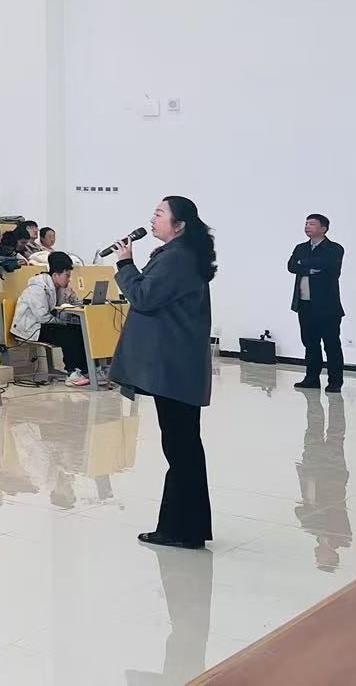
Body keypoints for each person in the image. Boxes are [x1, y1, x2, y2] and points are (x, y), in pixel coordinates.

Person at [110, 196, 216, 550]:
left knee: (181, 449)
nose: (152, 218)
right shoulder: (179, 254)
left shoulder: (177, 257)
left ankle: (181, 530)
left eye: (159, 213)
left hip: (174, 368)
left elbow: (144, 297)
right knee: (184, 447)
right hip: (177, 366)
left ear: (179, 224)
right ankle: (187, 528)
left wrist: (125, 264)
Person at [9, 251, 90, 386]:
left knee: (79, 329)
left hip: (44, 324)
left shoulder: (59, 287)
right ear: (56, 274)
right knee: (68, 333)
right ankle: (72, 373)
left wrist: (71, 295)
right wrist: (63, 322)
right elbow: (42, 317)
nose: (69, 279)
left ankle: (85, 369)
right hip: (31, 328)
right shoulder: (37, 288)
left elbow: (70, 306)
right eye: (67, 276)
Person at [289, 213, 345, 392]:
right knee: (310, 343)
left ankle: (335, 381)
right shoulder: (300, 247)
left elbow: (330, 268)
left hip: (327, 306)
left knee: (331, 344)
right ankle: (311, 378)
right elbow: (291, 266)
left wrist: (303, 264)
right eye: (306, 223)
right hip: (305, 305)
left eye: (312, 224)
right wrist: (311, 267)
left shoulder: (334, 248)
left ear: (323, 228)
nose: (307, 226)